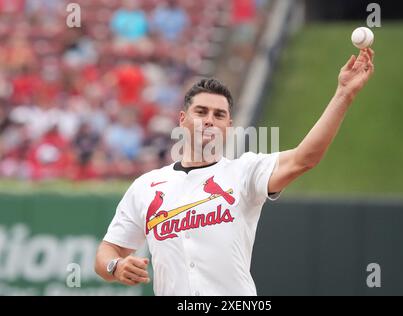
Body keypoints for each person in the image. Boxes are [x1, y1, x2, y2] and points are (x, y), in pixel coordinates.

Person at [95, 48, 375, 296]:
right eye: (201, 112)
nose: (209, 120)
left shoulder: (245, 172)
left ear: (228, 126)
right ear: (183, 119)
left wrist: (344, 94)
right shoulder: (147, 186)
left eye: (219, 115)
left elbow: (305, 159)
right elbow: (107, 253)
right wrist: (115, 265)